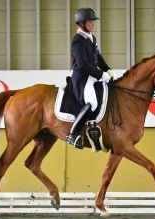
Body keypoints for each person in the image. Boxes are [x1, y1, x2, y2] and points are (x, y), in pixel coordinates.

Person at [66, 7, 114, 149]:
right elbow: (82, 65)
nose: (93, 24)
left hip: (93, 76)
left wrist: (108, 69)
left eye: (93, 22)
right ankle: (73, 134)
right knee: (92, 103)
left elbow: (98, 57)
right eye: (90, 22)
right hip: (82, 78)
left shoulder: (91, 38)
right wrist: (101, 75)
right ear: (81, 23)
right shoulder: (78, 41)